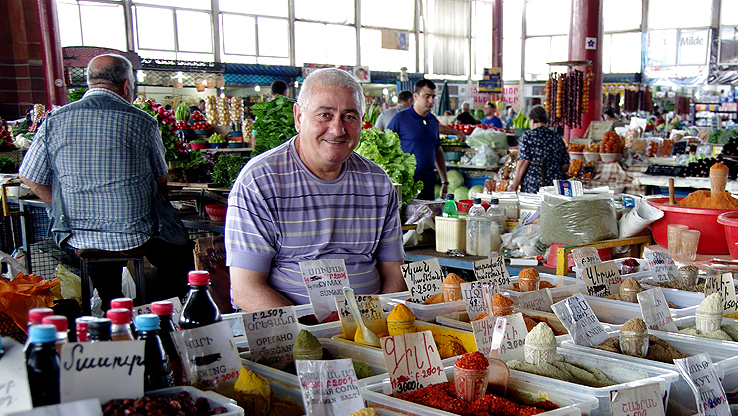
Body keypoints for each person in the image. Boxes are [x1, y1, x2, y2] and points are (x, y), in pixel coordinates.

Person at [225, 67, 406, 311]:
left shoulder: (377, 183)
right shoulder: (259, 181)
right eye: (324, 115)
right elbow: (246, 290)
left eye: (350, 117)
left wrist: (379, 325)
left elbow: (394, 274)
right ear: (298, 117)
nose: (337, 129)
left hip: (367, 334)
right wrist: (313, 336)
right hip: (290, 335)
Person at [18, 53, 193, 304]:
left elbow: (29, 176)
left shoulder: (54, 120)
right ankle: (153, 309)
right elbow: (160, 180)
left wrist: (60, 205)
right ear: (125, 85)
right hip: (134, 232)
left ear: (90, 82)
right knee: (182, 256)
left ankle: (113, 304)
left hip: (78, 234)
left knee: (104, 257)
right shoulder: (142, 121)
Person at [387, 78, 448, 200]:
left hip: (429, 181)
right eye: (427, 96)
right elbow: (386, 150)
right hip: (406, 183)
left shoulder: (433, 121)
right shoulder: (399, 119)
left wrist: (444, 181)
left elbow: (438, 151)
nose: (431, 100)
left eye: (433, 97)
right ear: (415, 96)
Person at [507, 105, 569, 194]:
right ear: (546, 121)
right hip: (554, 187)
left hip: (533, 185)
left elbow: (523, 161)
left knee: (533, 207)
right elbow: (565, 164)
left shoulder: (527, 136)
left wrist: (514, 185)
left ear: (531, 121)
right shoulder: (556, 137)